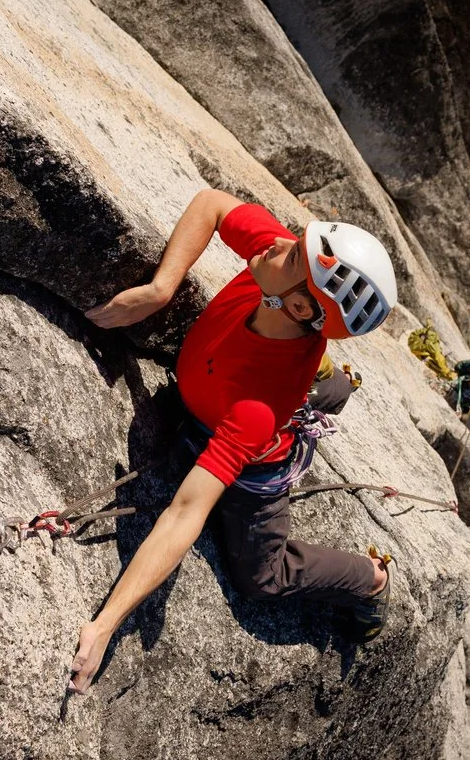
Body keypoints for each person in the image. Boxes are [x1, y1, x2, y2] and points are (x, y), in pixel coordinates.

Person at [68, 189, 400, 694]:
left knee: (263, 579)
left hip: (256, 463)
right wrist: (161, 287)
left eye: (294, 254)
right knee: (318, 381)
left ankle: (370, 579)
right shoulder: (281, 271)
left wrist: (105, 623)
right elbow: (212, 204)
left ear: (299, 305)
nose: (278, 243)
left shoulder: (257, 410)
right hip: (251, 378)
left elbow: (185, 512)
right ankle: (330, 380)